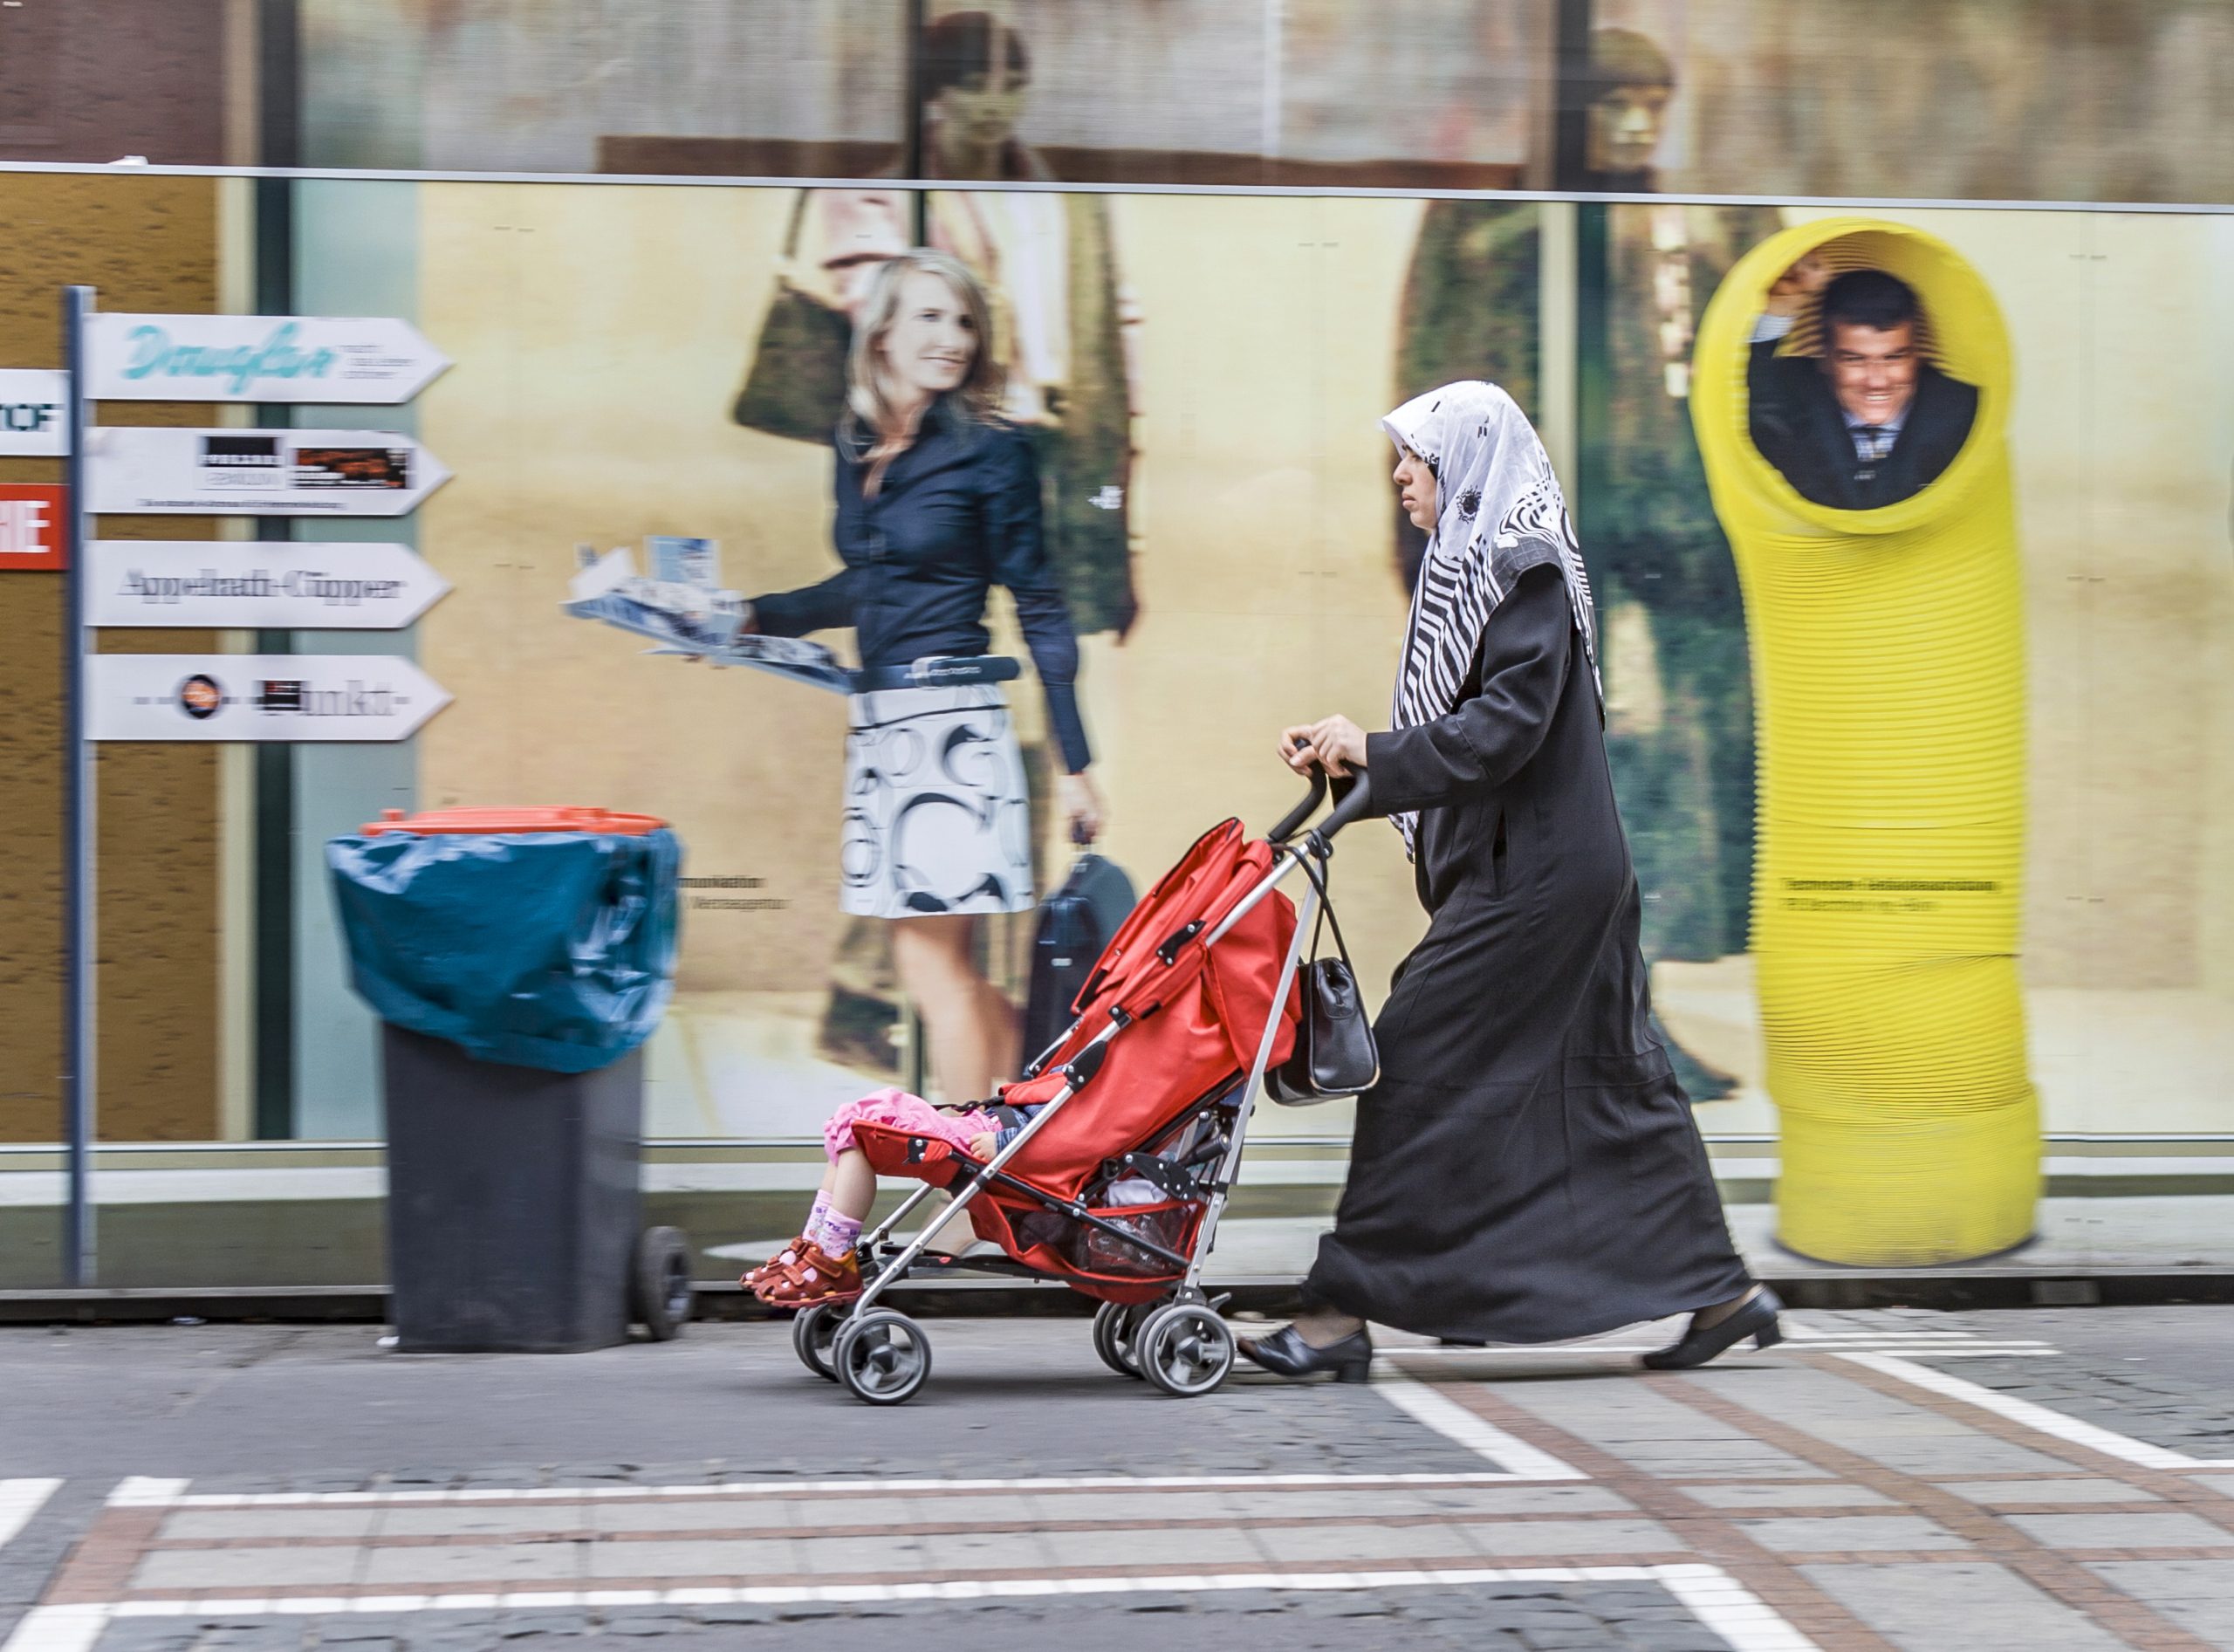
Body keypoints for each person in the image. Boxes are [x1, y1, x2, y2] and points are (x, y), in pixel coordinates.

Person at [1242, 382, 1779, 1380]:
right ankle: (1723, 1292)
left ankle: (1334, 1316)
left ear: (1469, 465)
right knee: (1613, 1083)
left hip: (1536, 881)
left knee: (1407, 1062)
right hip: (1555, 871)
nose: (1402, 475)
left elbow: (1505, 727)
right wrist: (1356, 752)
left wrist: (1381, 751)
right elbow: (1473, 721)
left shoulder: (1519, 568)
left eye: (1418, 457)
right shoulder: (1477, 571)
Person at [741, 250, 1105, 1114]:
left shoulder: (990, 453)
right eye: (931, 318)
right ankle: (1078, 1112)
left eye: (965, 321)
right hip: (884, 728)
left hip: (950, 726)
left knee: (930, 968)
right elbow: (866, 587)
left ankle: (969, 1181)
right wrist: (748, 617)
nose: (951, 339)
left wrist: (1075, 758)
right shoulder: (858, 446)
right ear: (883, 333)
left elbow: (1040, 606)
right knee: (946, 976)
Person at [744, 1085, 1045, 1305]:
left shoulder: (1089, 1086)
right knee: (853, 1127)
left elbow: (1062, 1133)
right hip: (985, 1124)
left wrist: (1006, 1142)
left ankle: (833, 1256)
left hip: (993, 1138)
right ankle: (815, 1245)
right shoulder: (1080, 1073)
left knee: (865, 1132)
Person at [1747, 259, 1978, 511]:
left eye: (1894, 357)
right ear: (1824, 357)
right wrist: (1780, 306)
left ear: (1918, 357)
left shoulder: (1962, 406)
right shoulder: (1790, 391)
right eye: (1854, 359)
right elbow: (1737, 386)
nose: (1877, 381)